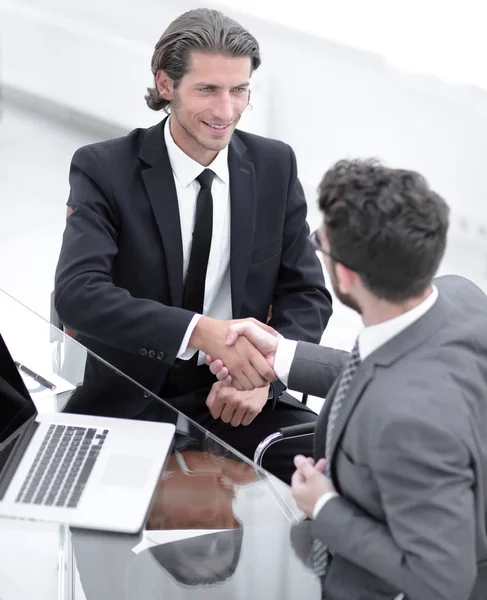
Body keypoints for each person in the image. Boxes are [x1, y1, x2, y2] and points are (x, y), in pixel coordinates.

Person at [54, 7, 343, 483]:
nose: (226, 111)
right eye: (207, 89)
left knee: (343, 470)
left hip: (241, 396)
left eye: (239, 90)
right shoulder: (103, 169)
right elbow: (77, 294)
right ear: (166, 85)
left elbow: (306, 293)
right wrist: (200, 331)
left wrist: (265, 380)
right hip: (131, 398)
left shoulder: (275, 165)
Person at [209, 159, 487, 600]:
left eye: (322, 244)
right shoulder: (457, 295)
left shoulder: (409, 423)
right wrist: (283, 354)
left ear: (346, 275)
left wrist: (323, 505)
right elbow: (392, 364)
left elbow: (441, 581)